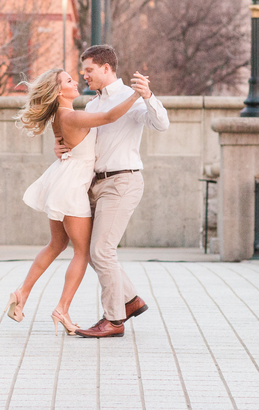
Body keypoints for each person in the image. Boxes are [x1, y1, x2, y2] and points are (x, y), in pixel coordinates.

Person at [7, 67, 144, 335]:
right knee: (83, 251)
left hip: (63, 182)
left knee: (57, 243)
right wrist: (136, 95)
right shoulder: (71, 115)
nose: (76, 81)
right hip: (71, 188)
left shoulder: (60, 117)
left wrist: (58, 147)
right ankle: (62, 309)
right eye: (69, 80)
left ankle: (21, 293)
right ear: (60, 91)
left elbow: (65, 143)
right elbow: (110, 116)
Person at [64, 45, 169, 338]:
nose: (84, 76)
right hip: (96, 183)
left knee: (102, 250)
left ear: (107, 68)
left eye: (89, 70)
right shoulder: (93, 105)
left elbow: (162, 124)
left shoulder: (130, 99)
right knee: (95, 251)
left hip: (123, 181)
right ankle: (130, 299)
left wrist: (147, 95)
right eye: (83, 71)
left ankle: (114, 320)